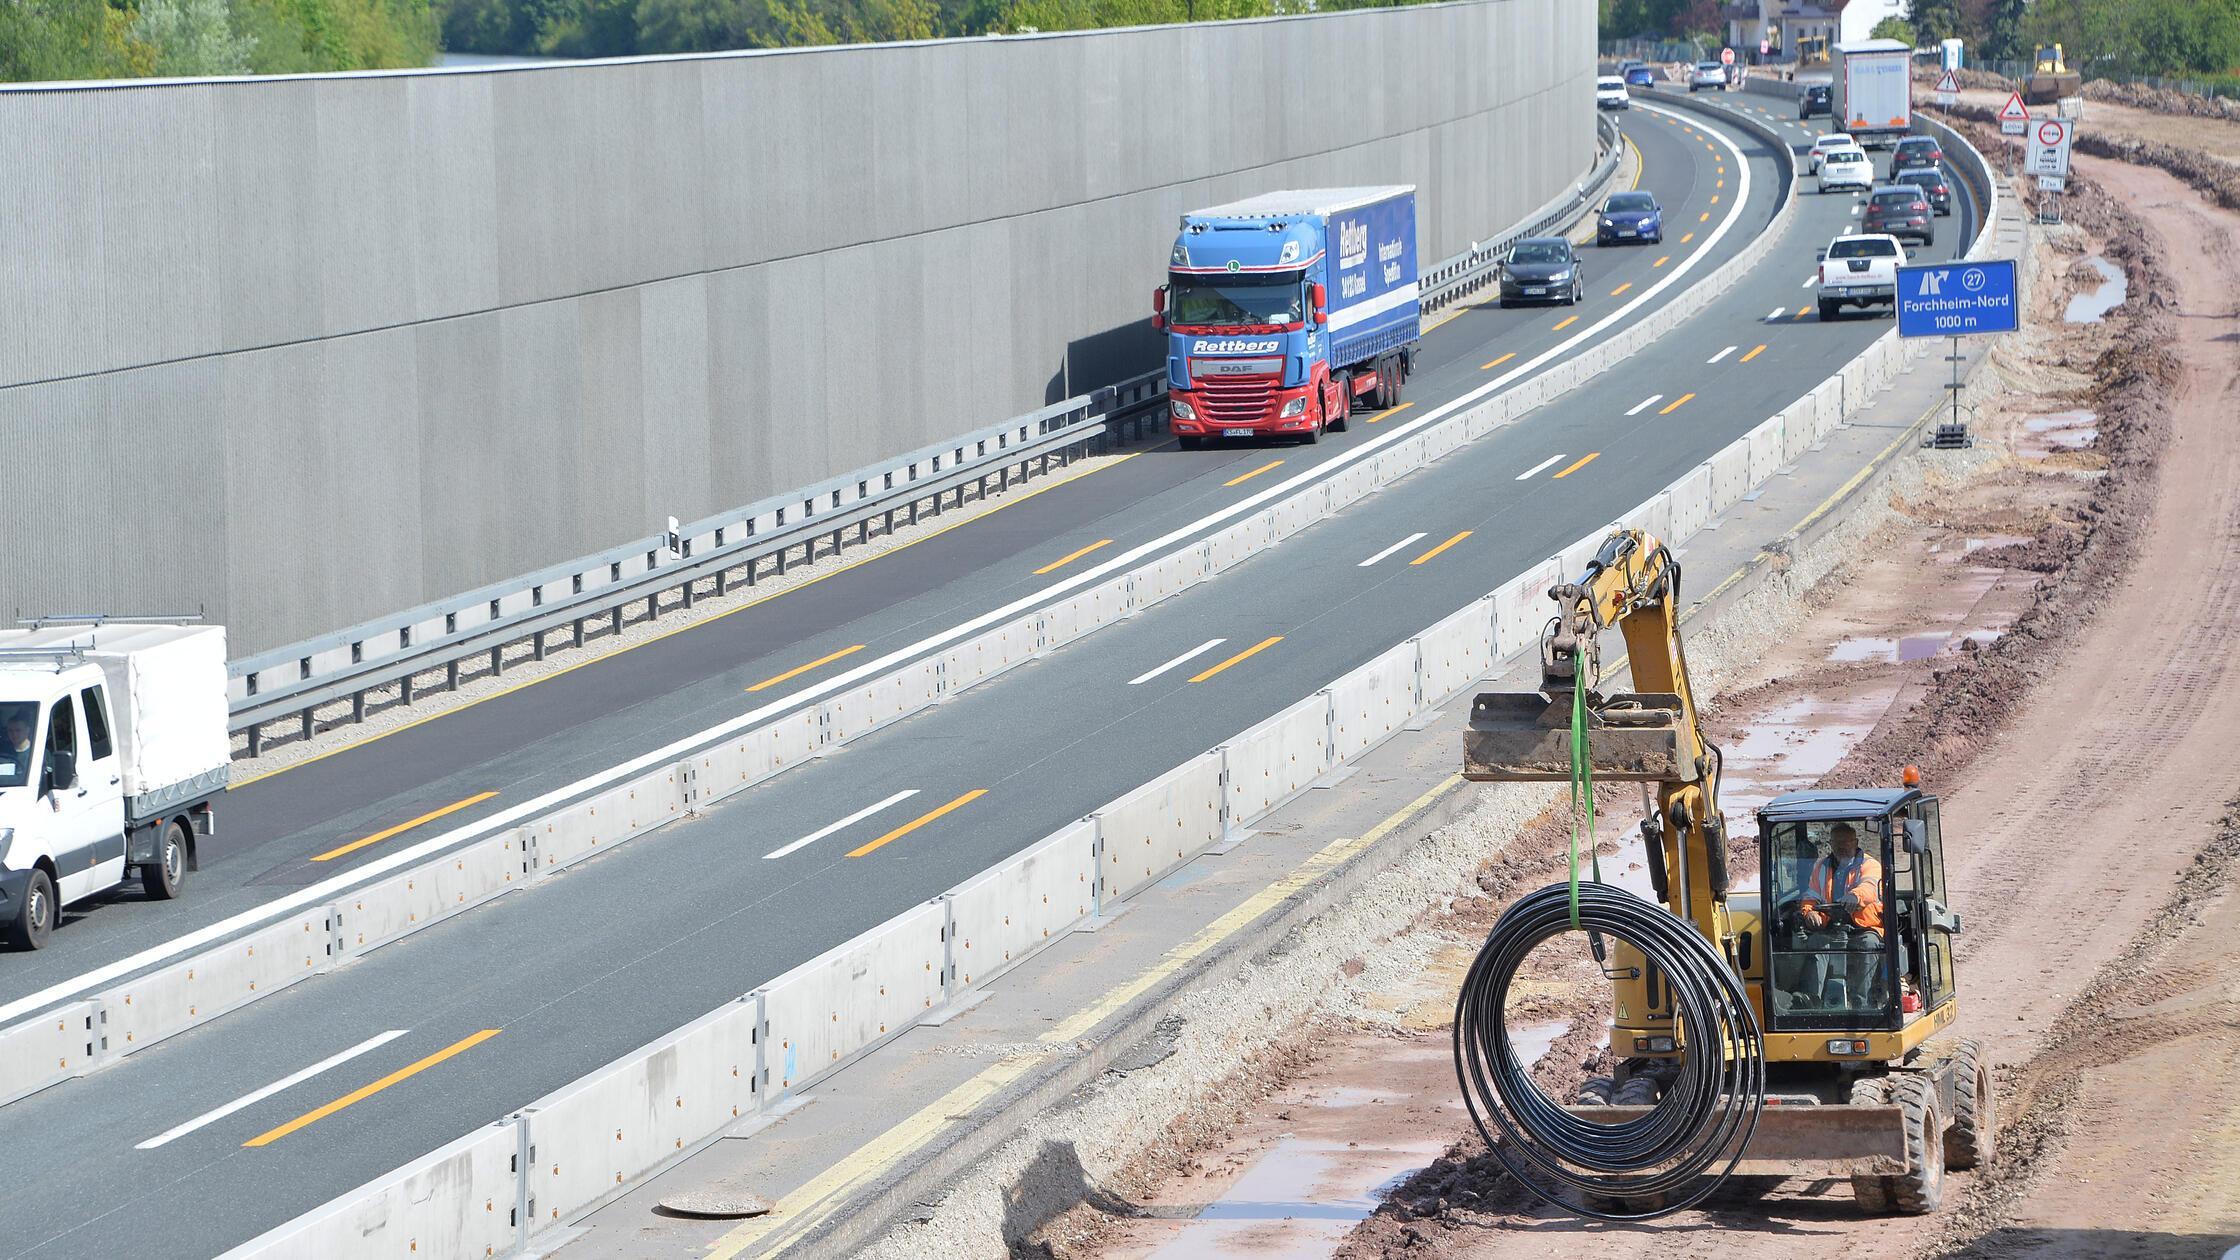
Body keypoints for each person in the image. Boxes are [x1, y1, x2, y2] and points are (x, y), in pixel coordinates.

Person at [1803, 823, 1887, 1006]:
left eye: (1846, 842)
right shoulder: (1822, 867)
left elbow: (1870, 886)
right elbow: (1811, 895)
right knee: (1816, 943)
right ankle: (1812, 1001)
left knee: (1868, 944)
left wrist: (1855, 896)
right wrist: (1809, 912)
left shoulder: (1870, 865)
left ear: (1855, 842)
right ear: (1830, 844)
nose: (1842, 846)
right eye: (1837, 842)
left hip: (1864, 927)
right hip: (1832, 926)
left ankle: (1861, 1003)